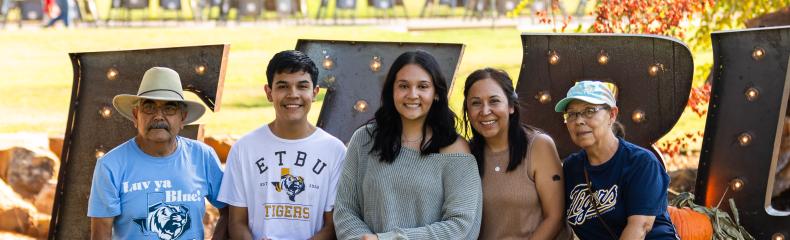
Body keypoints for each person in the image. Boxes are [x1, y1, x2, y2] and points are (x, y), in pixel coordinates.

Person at [334, 50, 482, 240]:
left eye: (423, 86)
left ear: (436, 93)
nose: (412, 95)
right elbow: (345, 209)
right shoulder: (364, 140)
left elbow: (460, 225)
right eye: (403, 86)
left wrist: (387, 239)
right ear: (392, 91)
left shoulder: (456, 151)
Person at [217, 50, 346, 240]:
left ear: (315, 92)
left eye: (302, 86)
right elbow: (237, 222)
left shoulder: (334, 151)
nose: (293, 94)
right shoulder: (244, 149)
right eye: (283, 86)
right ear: (269, 93)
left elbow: (333, 225)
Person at [88, 67, 228, 239]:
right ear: (135, 115)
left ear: (182, 118)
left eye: (169, 108)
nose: (158, 116)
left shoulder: (202, 156)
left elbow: (230, 208)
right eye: (149, 107)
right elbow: (101, 234)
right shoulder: (111, 166)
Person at [556, 81, 677, 239]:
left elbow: (640, 227)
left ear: (612, 115)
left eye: (589, 111)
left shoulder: (641, 163)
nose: (579, 121)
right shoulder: (571, 168)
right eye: (571, 114)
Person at [462, 68, 571, 239]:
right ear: (467, 110)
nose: (485, 111)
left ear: (511, 106)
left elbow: (554, 218)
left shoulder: (538, 146)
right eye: (476, 103)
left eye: (494, 101)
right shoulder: (465, 154)